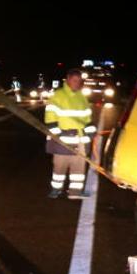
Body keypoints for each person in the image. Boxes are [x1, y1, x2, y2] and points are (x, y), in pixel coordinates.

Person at [44, 69, 96, 199]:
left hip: (79, 140)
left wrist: (90, 133)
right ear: (67, 80)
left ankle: (75, 192)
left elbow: (87, 120)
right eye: (74, 80)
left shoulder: (82, 98)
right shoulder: (58, 96)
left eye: (79, 81)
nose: (76, 83)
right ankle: (56, 189)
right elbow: (50, 119)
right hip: (62, 140)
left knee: (78, 168)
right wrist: (58, 136)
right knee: (60, 167)